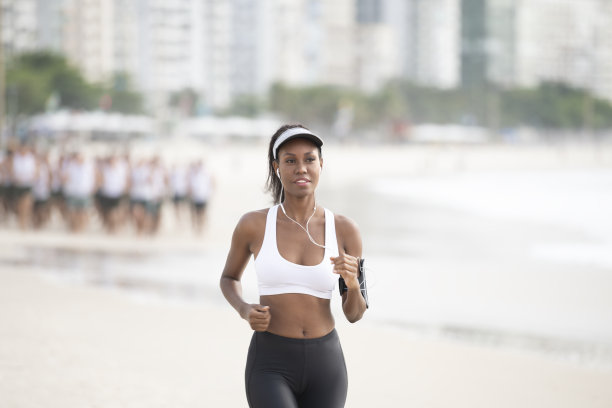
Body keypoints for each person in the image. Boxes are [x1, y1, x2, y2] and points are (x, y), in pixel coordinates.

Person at [220, 124, 367, 408]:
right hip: (270, 362)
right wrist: (244, 309)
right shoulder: (254, 225)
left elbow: (355, 314)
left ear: (321, 164)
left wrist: (352, 284)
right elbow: (228, 277)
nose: (301, 168)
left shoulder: (346, 230)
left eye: (309, 159)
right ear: (277, 167)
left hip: (327, 364)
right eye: (291, 161)